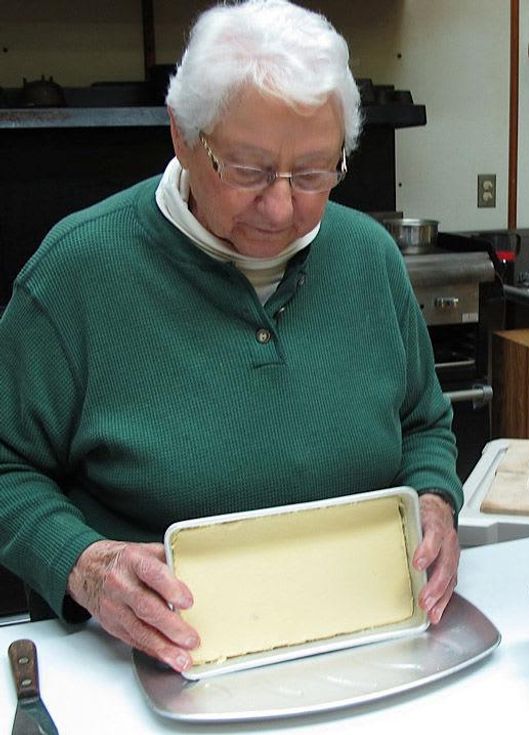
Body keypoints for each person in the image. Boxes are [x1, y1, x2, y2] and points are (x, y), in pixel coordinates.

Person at [0, 0, 461, 674]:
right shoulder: (78, 271)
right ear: (183, 136)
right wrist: (82, 562)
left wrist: (434, 500)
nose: (280, 207)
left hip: (363, 642)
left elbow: (425, 423)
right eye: (246, 170)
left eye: (312, 173)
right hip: (150, 660)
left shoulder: (369, 257)